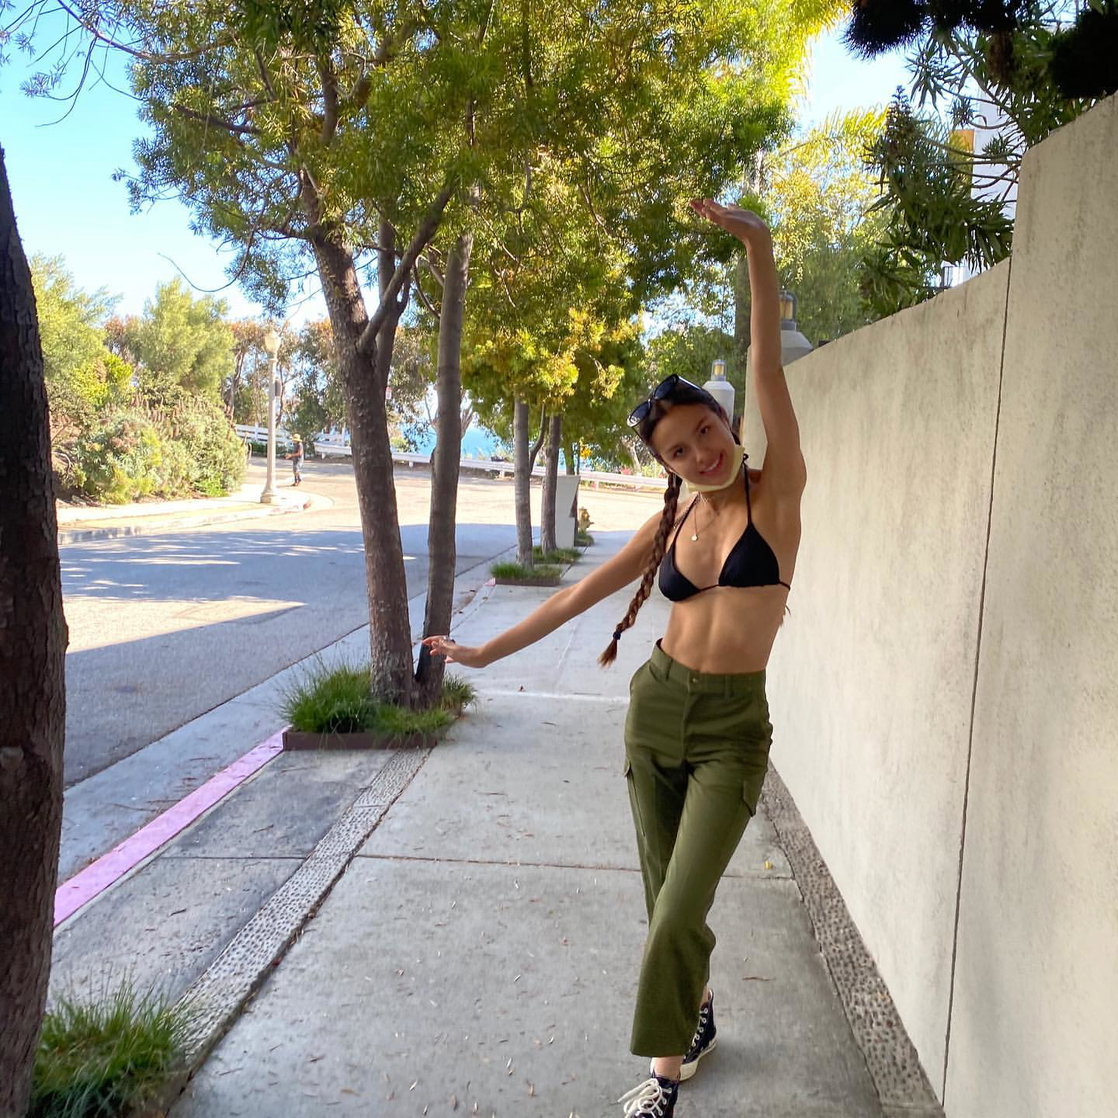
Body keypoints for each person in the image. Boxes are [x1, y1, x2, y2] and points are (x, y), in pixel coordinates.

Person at [423, 200, 806, 1117]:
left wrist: (756, 245)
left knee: (677, 911)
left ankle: (664, 1078)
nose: (701, 452)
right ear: (665, 465)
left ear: (726, 422)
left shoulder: (777, 494)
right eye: (678, 449)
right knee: (662, 898)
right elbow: (576, 597)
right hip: (657, 708)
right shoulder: (670, 524)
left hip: (731, 730)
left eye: (706, 430)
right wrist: (485, 651)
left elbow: (765, 365)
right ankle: (697, 1009)